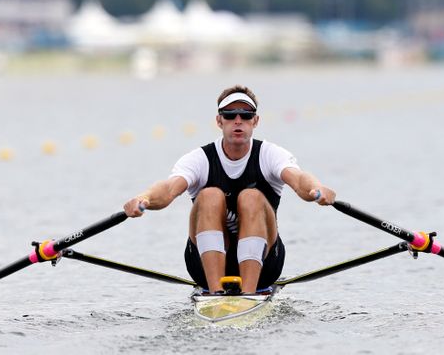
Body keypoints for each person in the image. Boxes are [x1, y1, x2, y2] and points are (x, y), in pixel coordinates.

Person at [123, 85, 336, 294]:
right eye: (229, 114)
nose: (238, 121)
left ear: (255, 121)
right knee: (209, 195)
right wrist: (145, 198)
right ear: (219, 121)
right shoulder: (199, 159)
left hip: (265, 266)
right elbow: (169, 189)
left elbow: (299, 180)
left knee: (251, 197)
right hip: (203, 267)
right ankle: (215, 293)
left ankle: (249, 294)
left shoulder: (270, 154)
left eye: (245, 115)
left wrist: (316, 188)